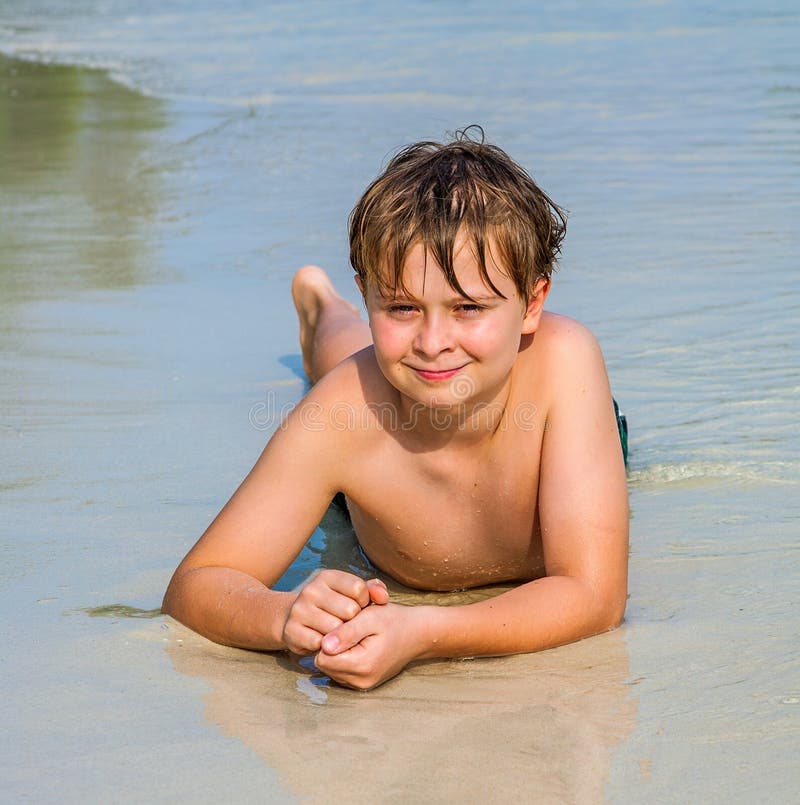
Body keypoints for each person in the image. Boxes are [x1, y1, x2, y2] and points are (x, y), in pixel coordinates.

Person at [162, 128, 629, 690]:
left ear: (532, 304)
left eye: (468, 307)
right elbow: (196, 584)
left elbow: (595, 596)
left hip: (558, 418)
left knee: (384, 360)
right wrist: (281, 616)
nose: (434, 339)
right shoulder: (341, 413)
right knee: (348, 362)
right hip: (375, 404)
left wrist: (425, 632)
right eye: (401, 306)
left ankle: (339, 313)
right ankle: (324, 310)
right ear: (370, 295)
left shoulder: (566, 365)